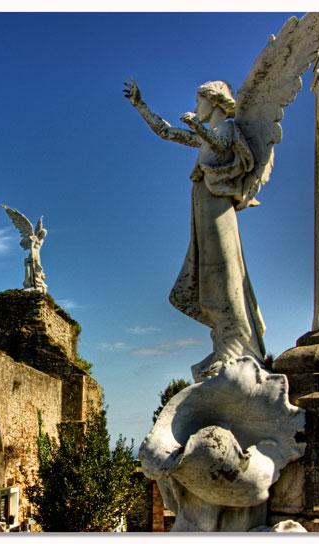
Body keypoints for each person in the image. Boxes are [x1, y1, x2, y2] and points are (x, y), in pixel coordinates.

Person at [124, 80, 265, 380]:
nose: (196, 107)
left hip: (218, 210)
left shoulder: (227, 128)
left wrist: (197, 127)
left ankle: (236, 343)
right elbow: (167, 132)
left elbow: (223, 145)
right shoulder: (206, 136)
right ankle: (223, 339)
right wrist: (140, 105)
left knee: (224, 274)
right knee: (208, 275)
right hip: (202, 207)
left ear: (213, 102)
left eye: (198, 101)